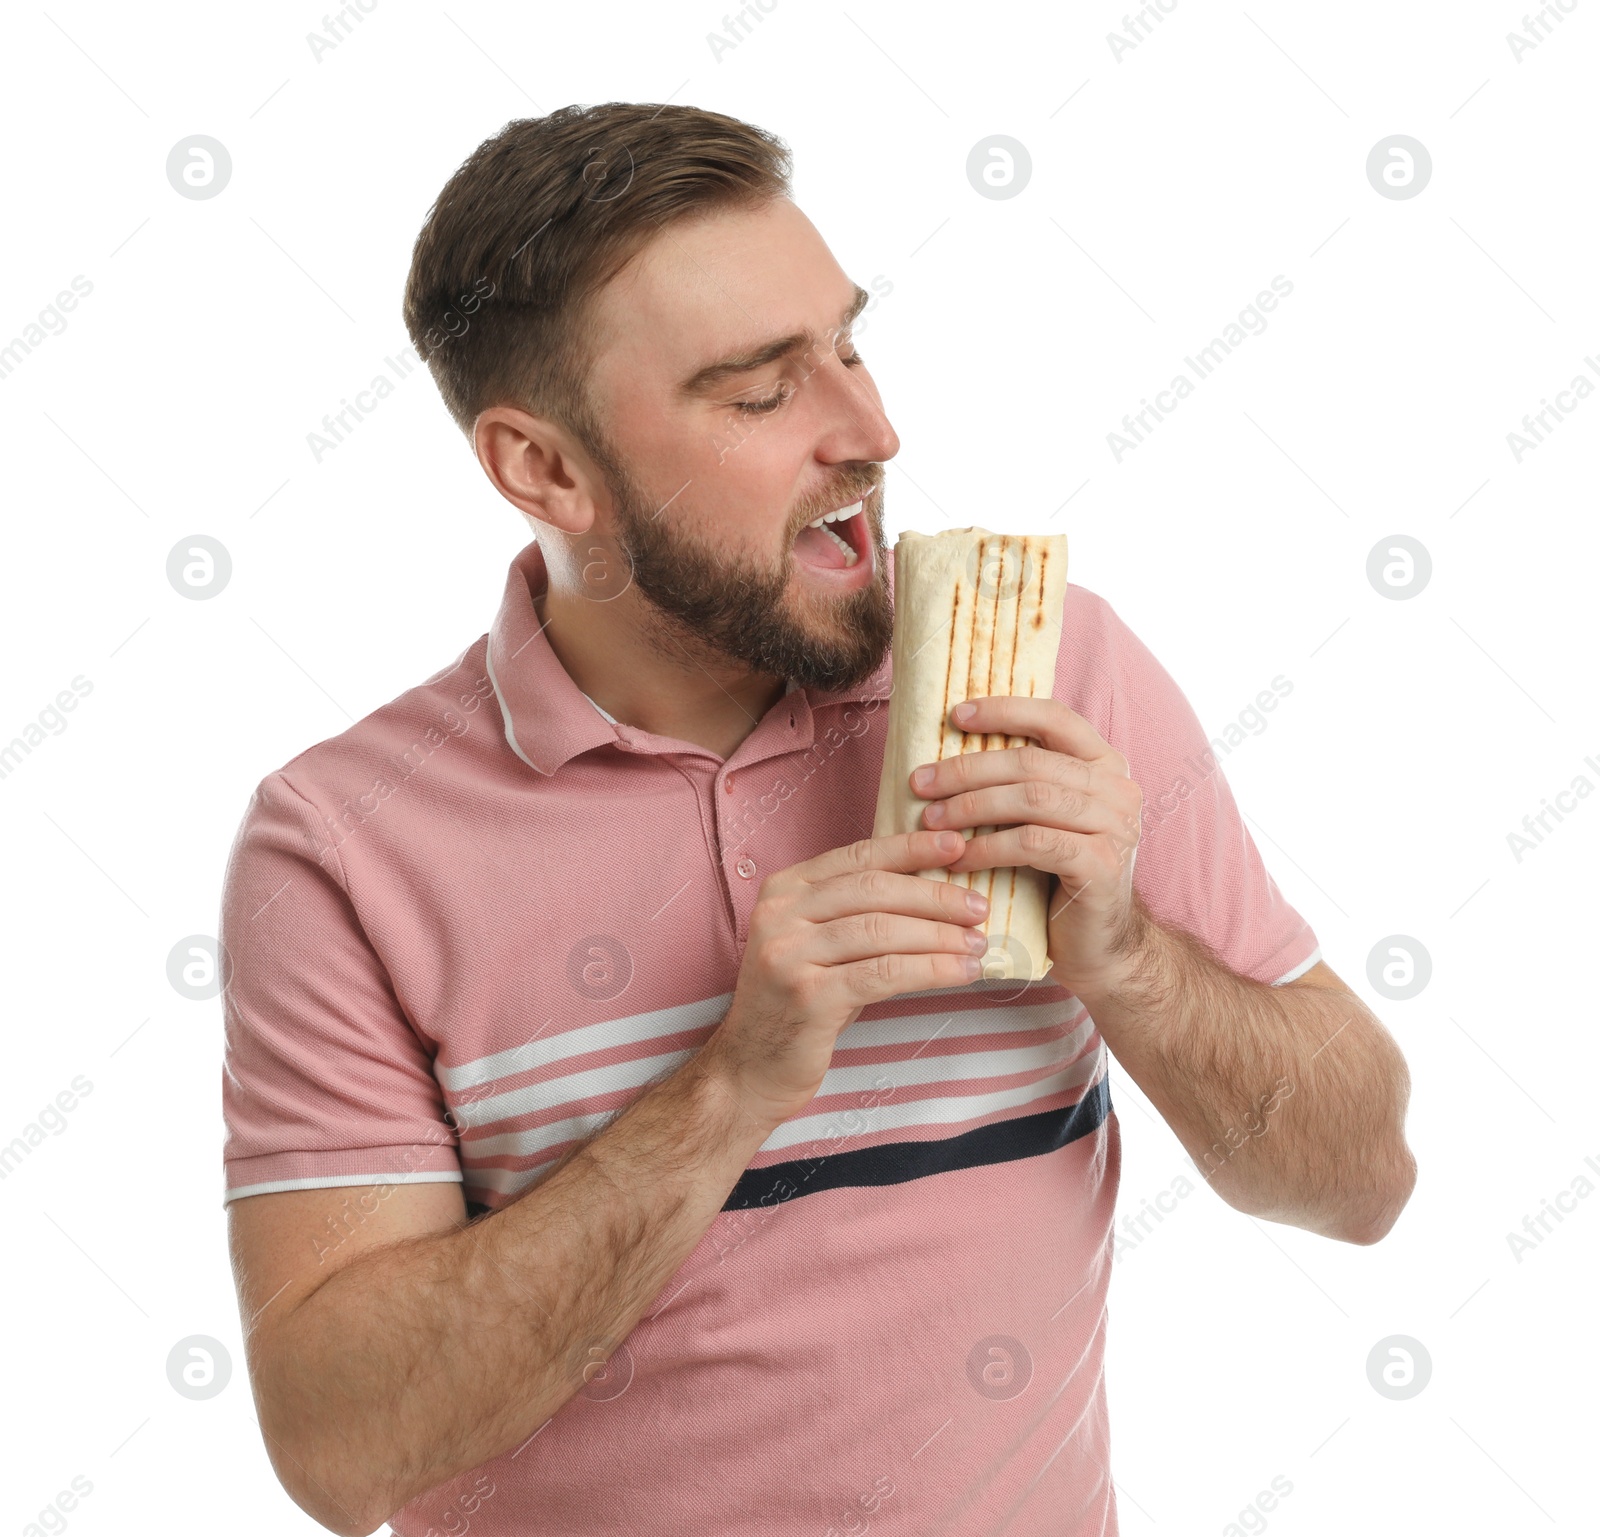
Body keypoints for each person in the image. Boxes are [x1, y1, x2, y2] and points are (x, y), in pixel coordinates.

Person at [219, 102, 1416, 1537]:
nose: (871, 430)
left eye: (846, 343)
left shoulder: (1050, 676)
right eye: (759, 391)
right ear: (545, 469)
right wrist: (730, 1083)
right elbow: (344, 1453)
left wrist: (1129, 954)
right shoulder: (347, 843)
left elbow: (1361, 1183)